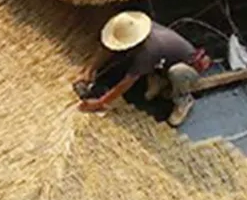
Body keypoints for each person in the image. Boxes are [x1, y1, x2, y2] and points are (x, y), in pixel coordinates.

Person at [75, 11, 211, 128]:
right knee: (154, 72)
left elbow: (127, 81)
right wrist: (89, 70)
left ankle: (183, 99)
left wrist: (100, 102)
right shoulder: (132, 27)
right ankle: (160, 79)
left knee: (177, 72)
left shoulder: (148, 51)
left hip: (188, 68)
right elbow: (107, 49)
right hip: (163, 62)